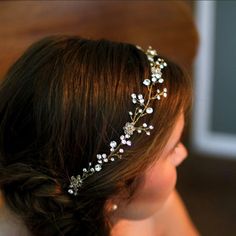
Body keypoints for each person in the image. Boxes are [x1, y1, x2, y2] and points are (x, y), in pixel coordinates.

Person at [0, 35, 199, 236]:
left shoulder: (157, 207)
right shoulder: (145, 203)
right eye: (172, 148)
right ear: (116, 182)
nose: (182, 154)